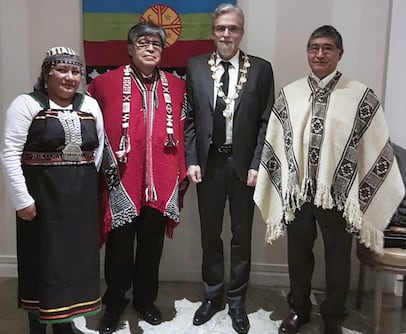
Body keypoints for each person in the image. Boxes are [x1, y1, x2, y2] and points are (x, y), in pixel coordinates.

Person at [254, 25, 405, 334]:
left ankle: (334, 315)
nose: (319, 53)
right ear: (307, 52)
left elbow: (375, 145)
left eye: (326, 48)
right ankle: (299, 310)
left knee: (338, 259)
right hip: (299, 192)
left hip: (338, 195)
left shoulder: (360, 96)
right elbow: (278, 141)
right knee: (297, 255)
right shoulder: (290, 94)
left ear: (340, 53)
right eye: (313, 47)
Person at [87, 21, 187, 334]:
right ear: (130, 49)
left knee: (152, 245)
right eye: (142, 43)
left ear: (162, 50)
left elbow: (184, 132)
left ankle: (145, 300)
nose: (149, 48)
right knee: (119, 247)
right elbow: (93, 129)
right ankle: (114, 303)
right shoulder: (104, 84)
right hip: (122, 181)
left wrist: (181, 172)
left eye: (156, 44)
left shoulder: (177, 86)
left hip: (161, 179)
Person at [0, 47, 104, 334]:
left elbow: (99, 150)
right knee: (43, 261)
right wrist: (22, 199)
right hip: (41, 199)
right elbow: (9, 153)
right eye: (62, 70)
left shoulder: (89, 105)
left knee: (73, 263)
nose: (70, 77)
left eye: (75, 71)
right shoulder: (26, 104)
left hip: (80, 200)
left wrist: (81, 186)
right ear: (47, 74)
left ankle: (65, 324)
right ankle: (37, 323)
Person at [184, 4, 274, 334]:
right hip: (208, 166)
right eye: (221, 28)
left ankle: (236, 300)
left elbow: (266, 123)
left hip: (243, 168)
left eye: (233, 29)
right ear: (213, 31)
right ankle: (212, 297)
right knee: (210, 234)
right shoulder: (194, 67)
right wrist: (191, 159)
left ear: (241, 32)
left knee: (240, 236)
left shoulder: (262, 70)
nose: (226, 34)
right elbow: (190, 119)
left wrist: (256, 164)